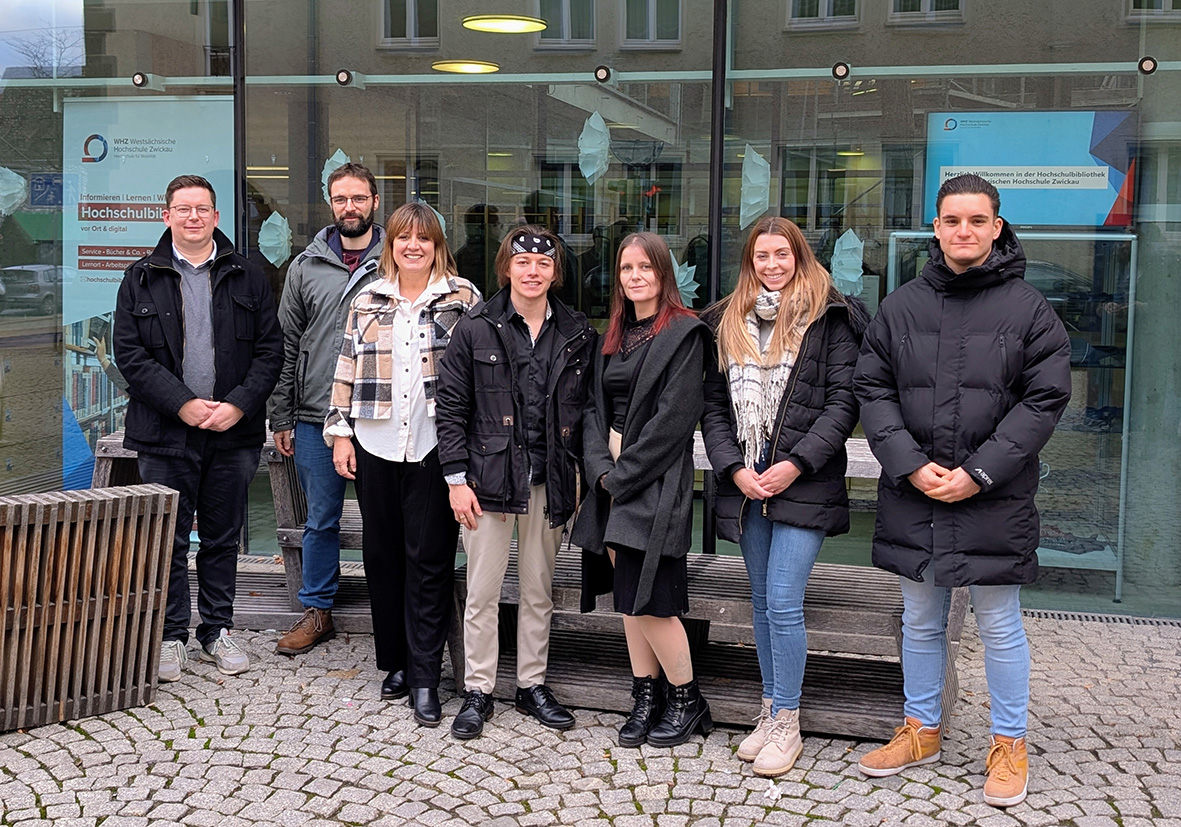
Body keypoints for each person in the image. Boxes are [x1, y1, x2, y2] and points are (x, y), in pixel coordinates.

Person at [853, 174, 1072, 807]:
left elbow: (1045, 399)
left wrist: (979, 472)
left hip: (993, 494)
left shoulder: (1030, 309)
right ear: (937, 228)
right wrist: (909, 462)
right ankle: (921, 727)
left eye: (977, 221)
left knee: (999, 623)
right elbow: (873, 389)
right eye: (952, 221)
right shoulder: (901, 307)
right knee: (920, 620)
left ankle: (1009, 743)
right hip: (916, 489)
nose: (964, 232)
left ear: (997, 227)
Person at [700, 216, 865, 777]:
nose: (771, 265)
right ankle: (768, 709)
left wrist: (796, 464)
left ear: (800, 256)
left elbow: (843, 404)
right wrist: (732, 467)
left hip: (804, 482)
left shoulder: (829, 318)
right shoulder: (729, 322)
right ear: (749, 262)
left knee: (785, 600)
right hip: (747, 486)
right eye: (761, 256)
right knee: (764, 603)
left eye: (781, 254)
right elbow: (714, 407)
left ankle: (788, 721)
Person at [113, 174, 282, 682]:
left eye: (202, 209)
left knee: (222, 536)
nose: (193, 217)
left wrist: (238, 406)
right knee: (168, 537)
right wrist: (183, 404)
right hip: (165, 433)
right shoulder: (139, 277)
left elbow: (270, 352)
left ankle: (217, 629)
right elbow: (131, 356)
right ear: (166, 216)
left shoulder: (249, 277)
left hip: (233, 432)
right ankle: (171, 635)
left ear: (215, 216)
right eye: (183, 209)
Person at [436, 226, 597, 740]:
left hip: (547, 483)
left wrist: (577, 478)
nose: (532, 272)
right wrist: (456, 480)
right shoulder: (475, 327)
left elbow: (587, 411)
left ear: (555, 272)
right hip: (486, 484)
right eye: (523, 263)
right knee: (482, 593)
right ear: (507, 267)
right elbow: (451, 410)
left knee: (538, 591)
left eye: (543, 264)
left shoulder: (576, 332)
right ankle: (479, 690)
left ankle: (532, 685)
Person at [323, 201, 480, 727]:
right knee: (382, 557)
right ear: (389, 245)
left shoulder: (463, 299)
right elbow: (345, 363)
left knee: (429, 560)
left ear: (438, 245)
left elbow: (479, 375)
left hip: (437, 445)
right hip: (375, 440)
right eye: (403, 238)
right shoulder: (367, 296)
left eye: (424, 238)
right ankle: (392, 661)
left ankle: (424, 676)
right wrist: (339, 431)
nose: (413, 247)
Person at [571, 231, 712, 749]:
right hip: (610, 478)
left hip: (652, 481)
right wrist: (597, 468)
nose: (635, 276)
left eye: (645, 268)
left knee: (650, 597)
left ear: (663, 274)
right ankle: (645, 695)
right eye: (627, 268)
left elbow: (674, 420)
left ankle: (686, 698)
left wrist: (620, 476)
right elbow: (592, 409)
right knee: (629, 598)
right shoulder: (614, 335)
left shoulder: (685, 334)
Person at [269, 162, 383, 656]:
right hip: (316, 414)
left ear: (375, 202)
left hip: (381, 416)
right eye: (341, 199)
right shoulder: (305, 266)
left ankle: (397, 612)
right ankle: (317, 612)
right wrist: (282, 414)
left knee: (389, 519)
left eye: (358, 198)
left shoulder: (398, 257)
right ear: (331, 204)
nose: (350, 207)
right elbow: (286, 344)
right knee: (322, 519)